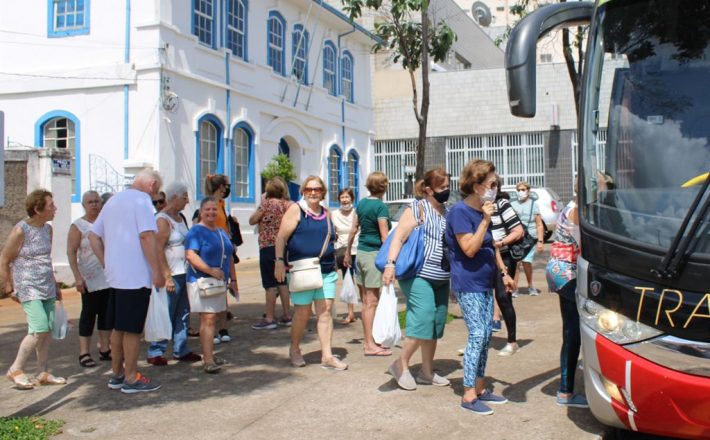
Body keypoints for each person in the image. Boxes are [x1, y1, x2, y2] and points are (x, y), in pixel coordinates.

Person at [446, 160, 514, 415]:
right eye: (492, 184)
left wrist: (504, 273)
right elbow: (470, 249)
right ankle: (468, 395)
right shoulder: (460, 213)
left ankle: (481, 387)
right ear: (476, 186)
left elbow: (490, 246)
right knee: (477, 335)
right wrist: (486, 220)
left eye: (497, 184)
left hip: (485, 283)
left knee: (485, 335)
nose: (496, 189)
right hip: (468, 283)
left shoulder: (481, 213)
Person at [89, 169, 165, 394]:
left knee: (118, 327)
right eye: (156, 191)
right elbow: (147, 236)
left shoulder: (114, 200)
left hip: (116, 276)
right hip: (135, 276)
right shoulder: (141, 200)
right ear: (151, 185)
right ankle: (131, 377)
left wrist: (106, 261)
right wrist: (157, 270)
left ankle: (117, 374)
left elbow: (93, 235)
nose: (155, 197)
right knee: (132, 329)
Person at [383, 168, 451, 391]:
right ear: (429, 189)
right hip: (418, 274)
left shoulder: (446, 211)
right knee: (423, 318)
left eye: (448, 186)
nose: (447, 191)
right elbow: (399, 238)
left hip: (441, 275)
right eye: (442, 188)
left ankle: (426, 372)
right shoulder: (417, 208)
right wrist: (390, 265)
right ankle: (400, 364)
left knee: (435, 323)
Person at [275, 176, 347, 371]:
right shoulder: (296, 210)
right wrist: (279, 262)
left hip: (325, 269)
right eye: (308, 189)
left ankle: (327, 355)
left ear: (323, 192)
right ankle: (295, 348)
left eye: (316, 189)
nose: (313, 192)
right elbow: (281, 237)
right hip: (302, 270)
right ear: (303, 192)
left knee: (325, 311)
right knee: (302, 313)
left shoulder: (327, 213)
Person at [1, 190, 66, 389]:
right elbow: (4, 258)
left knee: (45, 330)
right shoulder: (20, 230)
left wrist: (55, 285)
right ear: (38, 209)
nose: (54, 209)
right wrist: (8, 285)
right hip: (27, 285)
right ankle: (16, 369)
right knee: (39, 328)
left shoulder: (48, 229)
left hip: (46, 284)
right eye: (50, 206)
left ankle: (42, 371)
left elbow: (46, 258)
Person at [146, 182, 201, 365]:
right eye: (184, 196)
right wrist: (166, 275)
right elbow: (158, 248)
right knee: (167, 311)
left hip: (184, 271)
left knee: (183, 311)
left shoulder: (180, 217)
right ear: (175, 197)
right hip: (171, 272)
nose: (187, 200)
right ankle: (156, 350)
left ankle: (181, 347)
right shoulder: (162, 220)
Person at [185, 197, 238, 373]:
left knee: (213, 318)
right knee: (207, 319)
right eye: (207, 209)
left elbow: (229, 255)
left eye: (214, 209)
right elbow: (191, 255)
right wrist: (211, 270)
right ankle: (207, 360)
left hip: (219, 283)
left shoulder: (221, 231)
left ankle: (210, 354)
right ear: (201, 212)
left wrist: (233, 280)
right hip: (203, 282)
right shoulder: (196, 231)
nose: (211, 212)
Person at [546, 189, 588, 408]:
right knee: (573, 332)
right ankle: (565, 392)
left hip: (560, 271)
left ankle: (570, 381)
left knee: (572, 329)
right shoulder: (576, 212)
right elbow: (586, 244)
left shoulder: (570, 208)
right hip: (566, 272)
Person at [344, 171, 391, 356]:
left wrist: (348, 252)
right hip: (374, 255)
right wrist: (392, 260)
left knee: (366, 301)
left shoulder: (362, 204)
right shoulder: (380, 207)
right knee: (371, 301)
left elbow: (354, 229)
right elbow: (384, 235)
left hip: (361, 254)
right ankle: (369, 344)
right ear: (383, 187)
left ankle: (372, 340)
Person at [67, 190, 112, 368]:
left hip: (108, 276)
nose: (94, 204)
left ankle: (105, 348)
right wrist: (77, 277)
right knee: (88, 314)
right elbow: (71, 251)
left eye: (96, 201)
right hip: (89, 277)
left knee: (106, 315)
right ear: (84, 205)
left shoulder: (106, 222)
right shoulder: (78, 225)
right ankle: (84, 352)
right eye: (90, 202)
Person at [249, 177, 293, 330]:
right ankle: (287, 315)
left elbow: (252, 220)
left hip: (267, 247)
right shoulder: (287, 205)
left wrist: (262, 204)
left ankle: (269, 317)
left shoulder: (265, 205)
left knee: (269, 284)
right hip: (284, 247)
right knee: (283, 282)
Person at [491, 176, 524, 356]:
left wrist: (501, 243)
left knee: (504, 297)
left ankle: (512, 341)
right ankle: (478, 341)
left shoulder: (502, 204)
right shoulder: (477, 205)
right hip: (485, 256)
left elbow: (519, 231)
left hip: (503, 255)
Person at [203, 174, 235, 344]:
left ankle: (222, 328)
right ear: (221, 187)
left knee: (222, 291)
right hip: (212, 251)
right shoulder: (210, 204)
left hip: (223, 249)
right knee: (211, 292)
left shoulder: (222, 204)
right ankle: (213, 329)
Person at [509, 181, 545, 296]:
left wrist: (540, 241)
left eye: (523, 189)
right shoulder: (513, 204)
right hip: (517, 238)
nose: (521, 192)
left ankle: (530, 285)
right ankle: (515, 288)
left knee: (527, 262)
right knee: (517, 262)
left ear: (528, 191)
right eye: (519, 190)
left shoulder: (534, 205)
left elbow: (539, 224)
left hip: (530, 238)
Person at [331, 188, 358, 325]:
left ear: (352, 199)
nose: (345, 200)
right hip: (341, 252)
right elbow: (332, 233)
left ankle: (367, 309)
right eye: (342, 197)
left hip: (356, 250)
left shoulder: (357, 212)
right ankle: (350, 313)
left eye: (347, 197)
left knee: (359, 283)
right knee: (347, 281)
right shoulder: (334, 214)